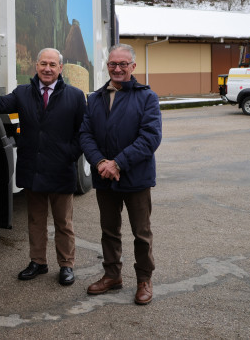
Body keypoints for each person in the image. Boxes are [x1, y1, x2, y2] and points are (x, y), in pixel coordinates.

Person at [0, 48, 85, 286]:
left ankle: (66, 265)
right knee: (36, 220)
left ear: (61, 68)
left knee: (63, 223)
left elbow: (83, 132)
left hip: (61, 169)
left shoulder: (76, 96)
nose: (47, 68)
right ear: (36, 67)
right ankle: (38, 262)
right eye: (43, 64)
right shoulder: (23, 93)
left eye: (52, 64)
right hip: (34, 169)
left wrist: (70, 154)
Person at [79, 43, 162, 305]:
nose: (117, 69)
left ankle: (144, 280)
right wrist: (101, 162)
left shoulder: (147, 97)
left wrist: (118, 163)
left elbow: (150, 138)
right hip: (105, 177)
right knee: (109, 230)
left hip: (135, 178)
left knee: (141, 233)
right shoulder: (95, 98)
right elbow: (85, 134)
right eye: (113, 64)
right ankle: (112, 275)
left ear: (133, 67)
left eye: (123, 64)